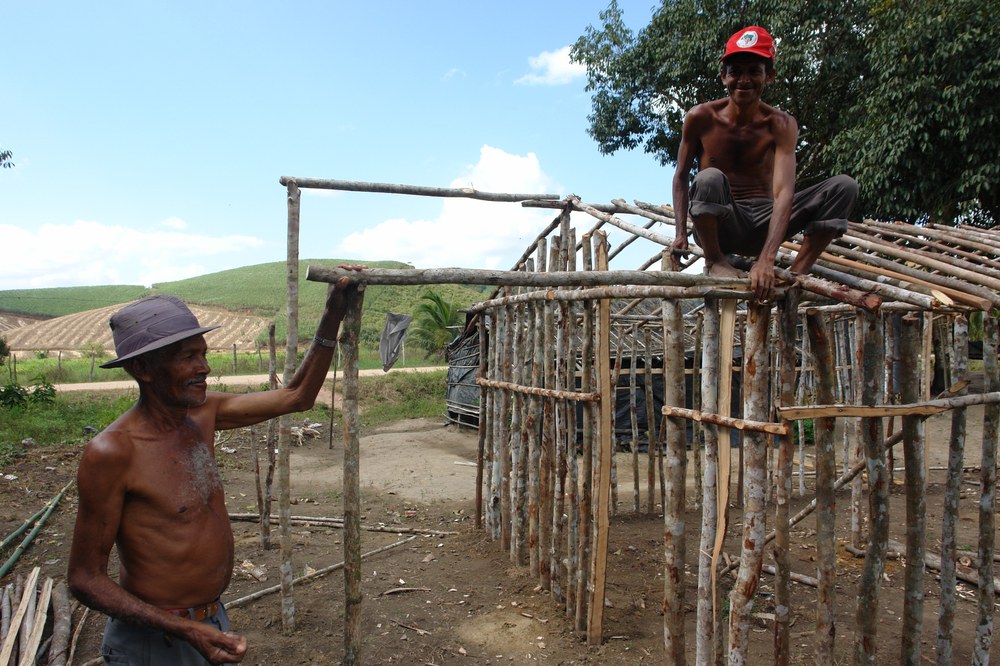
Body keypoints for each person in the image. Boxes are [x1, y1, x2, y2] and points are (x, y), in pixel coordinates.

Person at [68, 276, 358, 665]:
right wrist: (186, 630)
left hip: (210, 621)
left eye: (203, 354)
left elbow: (298, 396)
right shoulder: (113, 452)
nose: (203, 367)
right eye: (187, 356)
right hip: (155, 641)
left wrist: (332, 313)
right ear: (143, 368)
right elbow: (85, 579)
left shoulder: (202, 414)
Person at [670, 25, 858, 300]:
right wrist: (679, 234)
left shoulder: (780, 124)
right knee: (709, 177)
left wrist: (767, 259)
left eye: (754, 71)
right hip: (721, 224)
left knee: (845, 186)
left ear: (769, 76)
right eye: (735, 71)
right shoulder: (701, 117)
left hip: (765, 220)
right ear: (723, 76)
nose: (743, 80)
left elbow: (784, 193)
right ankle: (715, 261)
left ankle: (797, 271)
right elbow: (681, 176)